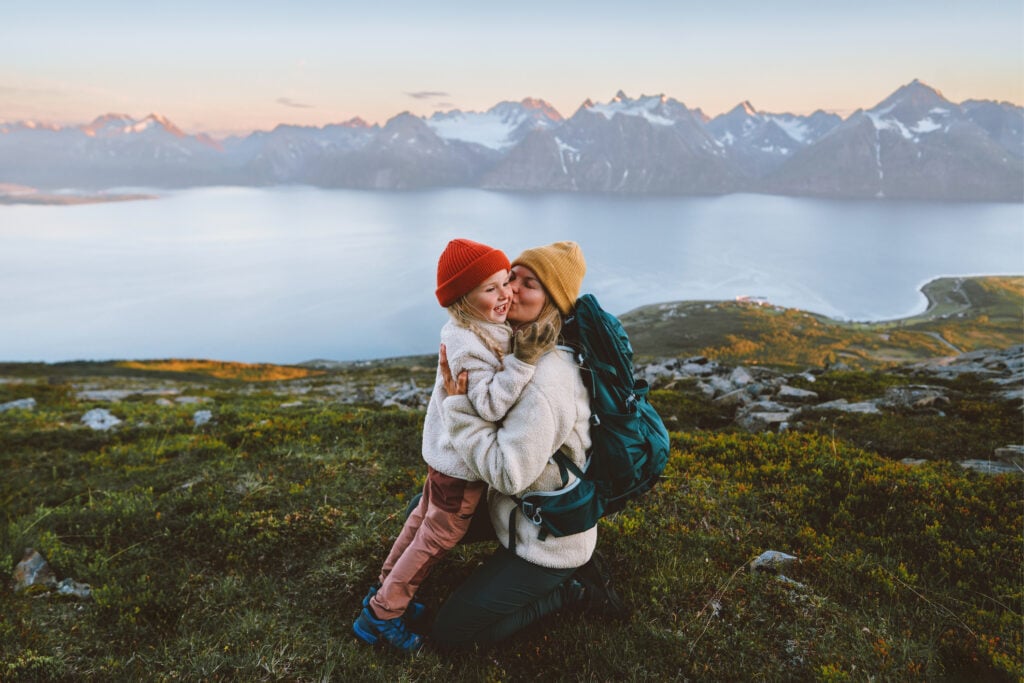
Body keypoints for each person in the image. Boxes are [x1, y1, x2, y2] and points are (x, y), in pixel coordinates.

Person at [353, 238, 555, 653]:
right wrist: (523, 361)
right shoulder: (468, 347)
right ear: (463, 300)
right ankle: (383, 615)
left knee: (419, 525)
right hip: (460, 469)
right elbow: (489, 404)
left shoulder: (473, 329)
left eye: (505, 282)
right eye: (491, 288)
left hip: (444, 458)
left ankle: (383, 590)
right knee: (434, 542)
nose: (506, 294)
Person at [430, 240, 627, 651]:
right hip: (513, 510)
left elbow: (507, 473)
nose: (510, 290)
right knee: (428, 509)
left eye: (529, 284)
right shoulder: (521, 347)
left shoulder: (546, 383)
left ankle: (575, 588)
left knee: (451, 636)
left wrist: (458, 408)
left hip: (548, 538)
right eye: (510, 277)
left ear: (552, 301)